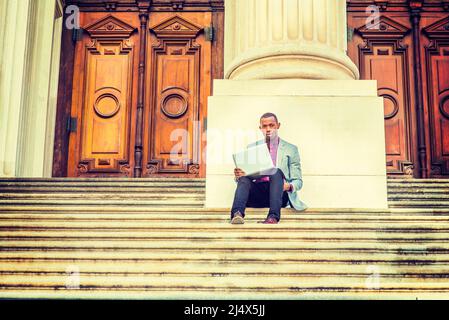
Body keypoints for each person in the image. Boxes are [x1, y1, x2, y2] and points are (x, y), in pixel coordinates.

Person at [230, 112, 307, 224]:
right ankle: (237, 214)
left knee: (276, 171)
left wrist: (288, 186)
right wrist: (239, 175)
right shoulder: (252, 148)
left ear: (278, 126)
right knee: (244, 178)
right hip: (257, 195)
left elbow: (298, 181)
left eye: (272, 125)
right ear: (260, 128)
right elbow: (246, 177)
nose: (268, 129)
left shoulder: (291, 149)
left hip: (279, 195)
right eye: (265, 126)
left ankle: (273, 217)